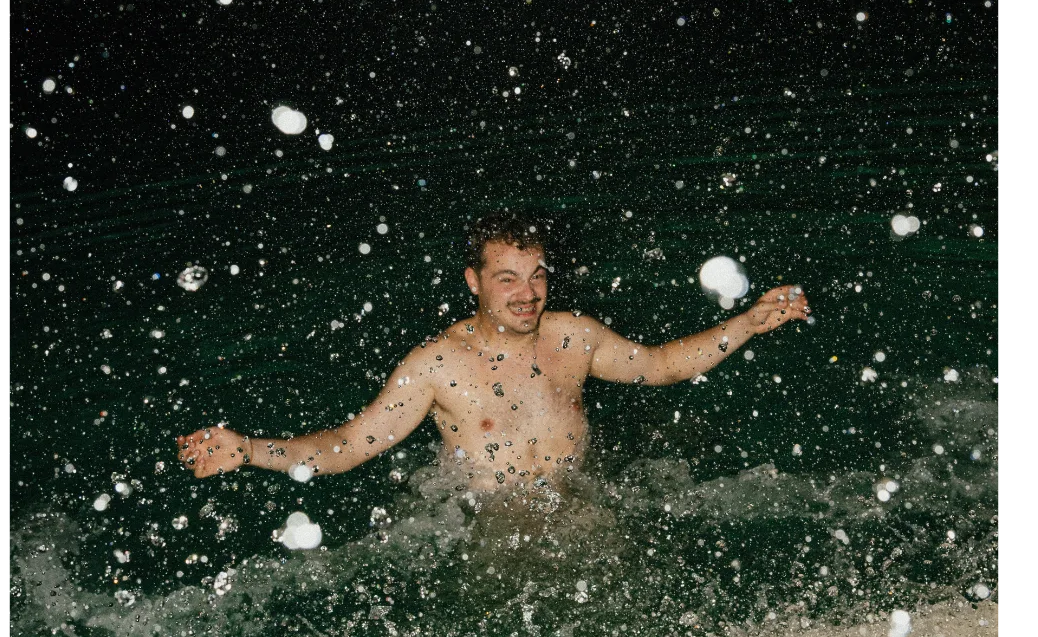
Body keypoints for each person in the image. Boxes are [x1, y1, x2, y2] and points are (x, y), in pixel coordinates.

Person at [176, 210, 810, 493]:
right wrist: (250, 450)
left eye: (536, 276)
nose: (527, 294)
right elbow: (348, 446)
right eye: (507, 279)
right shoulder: (437, 365)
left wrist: (748, 323)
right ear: (474, 282)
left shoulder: (573, 336)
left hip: (582, 507)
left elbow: (661, 366)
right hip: (497, 531)